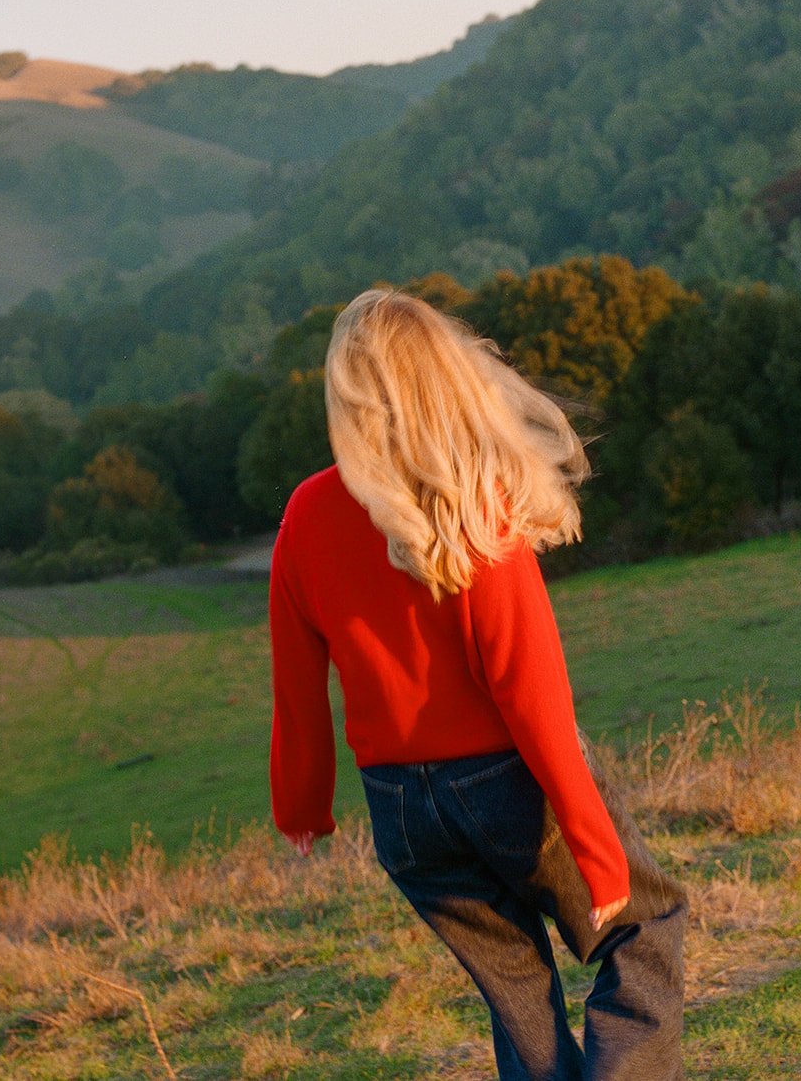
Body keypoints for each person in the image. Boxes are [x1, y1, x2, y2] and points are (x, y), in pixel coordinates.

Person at [268, 288, 686, 1080]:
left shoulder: (307, 511)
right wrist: (598, 852)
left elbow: (295, 681)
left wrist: (301, 806)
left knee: (520, 996)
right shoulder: (473, 504)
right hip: (505, 785)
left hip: (398, 811)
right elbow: (529, 692)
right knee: (647, 925)